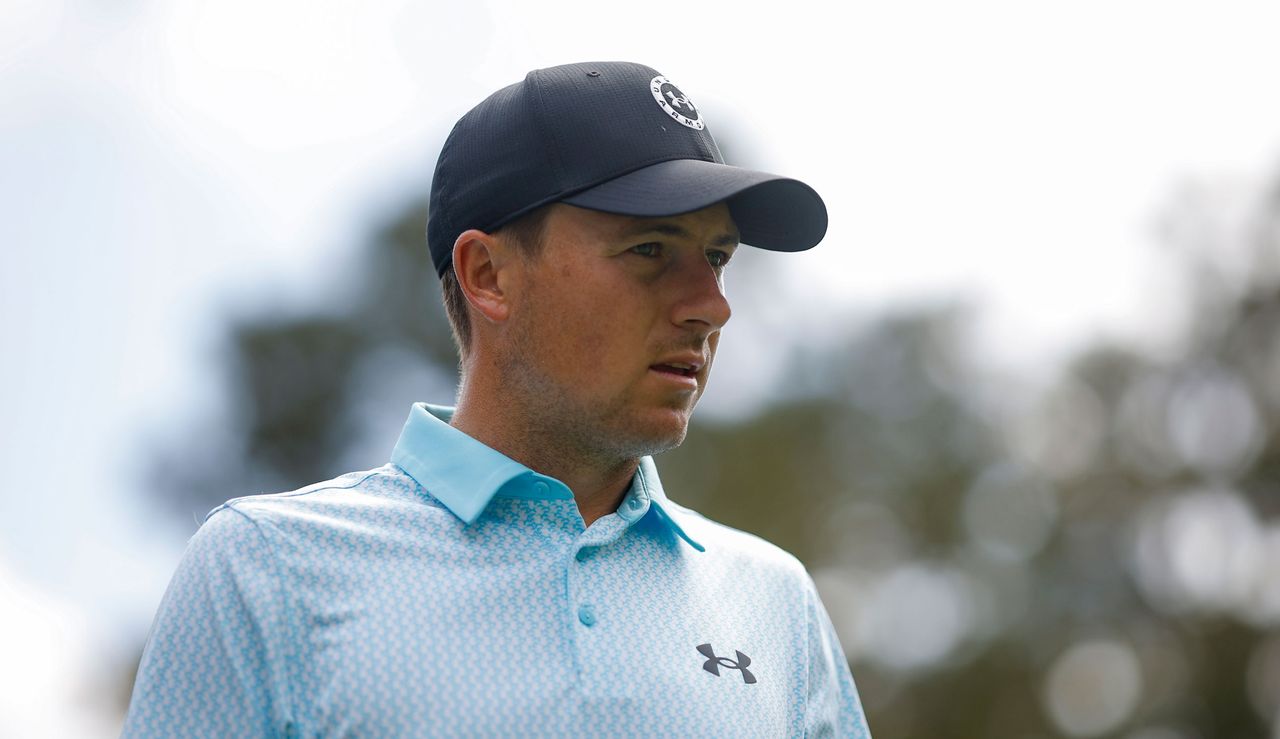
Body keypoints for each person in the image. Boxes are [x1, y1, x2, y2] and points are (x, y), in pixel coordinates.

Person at [123, 61, 872, 738]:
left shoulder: (775, 600)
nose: (712, 305)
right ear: (487, 274)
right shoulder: (264, 568)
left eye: (715, 258)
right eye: (651, 250)